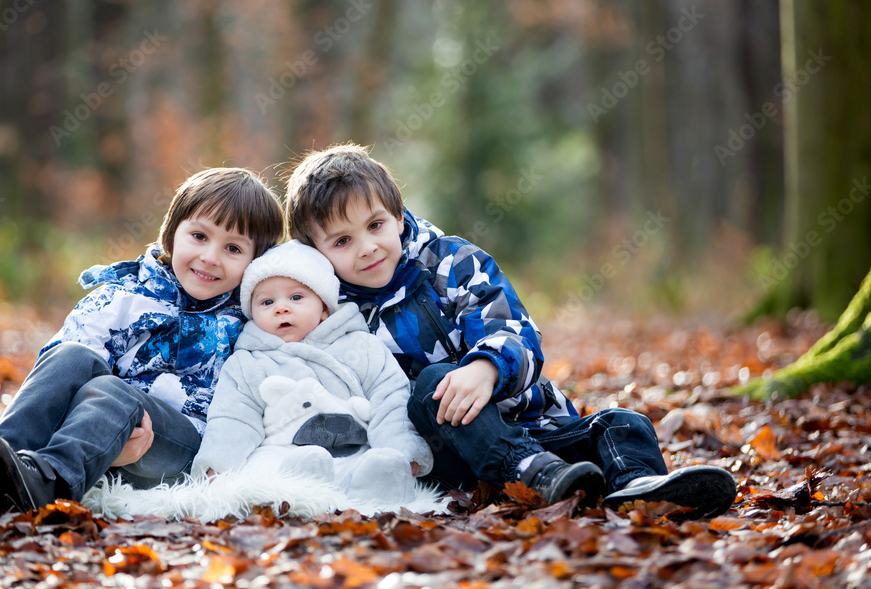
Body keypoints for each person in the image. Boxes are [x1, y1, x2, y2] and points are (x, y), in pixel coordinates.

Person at [283, 143, 737, 518]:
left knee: (622, 423)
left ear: (399, 217)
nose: (367, 248)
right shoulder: (328, 310)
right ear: (316, 254)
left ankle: (639, 487)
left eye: (376, 225)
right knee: (431, 383)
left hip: (533, 425)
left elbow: (513, 328)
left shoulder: (453, 262)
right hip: (446, 451)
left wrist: (485, 366)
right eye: (342, 241)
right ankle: (532, 475)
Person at [0, 168, 284, 522]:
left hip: (178, 443)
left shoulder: (250, 322)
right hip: (98, 428)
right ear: (172, 234)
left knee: (113, 390)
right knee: (72, 355)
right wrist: (105, 437)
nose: (210, 257)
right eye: (199, 237)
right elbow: (59, 375)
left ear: (256, 263)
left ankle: (48, 482)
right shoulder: (124, 295)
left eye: (233, 249)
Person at [192, 240, 432, 503]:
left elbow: (390, 400)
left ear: (324, 308)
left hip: (352, 450)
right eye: (266, 302)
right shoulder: (248, 363)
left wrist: (401, 448)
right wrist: (217, 464)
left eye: (296, 297)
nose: (281, 307)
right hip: (280, 451)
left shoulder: (362, 347)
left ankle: (376, 492)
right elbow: (232, 418)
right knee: (270, 467)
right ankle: (294, 491)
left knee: (378, 463)